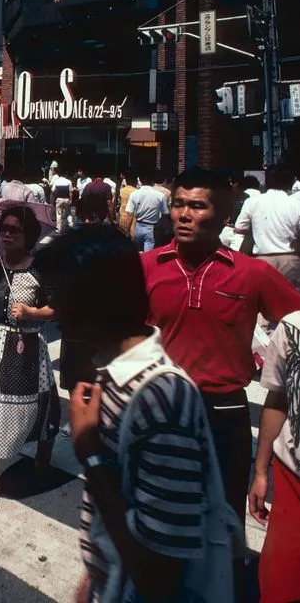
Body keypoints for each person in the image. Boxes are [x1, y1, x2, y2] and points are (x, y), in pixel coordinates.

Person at [35, 224, 221, 603]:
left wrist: (91, 454)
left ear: (92, 300)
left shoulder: (161, 397)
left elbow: (160, 572)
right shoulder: (113, 374)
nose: (53, 309)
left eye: (58, 294)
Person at [142, 168, 300, 538]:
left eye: (197, 206)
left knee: (225, 519)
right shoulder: (145, 267)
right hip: (161, 405)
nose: (184, 214)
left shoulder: (252, 273)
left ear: (224, 217)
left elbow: (295, 321)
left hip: (224, 409)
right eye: (178, 204)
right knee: (159, 513)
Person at [0, 206, 60, 511]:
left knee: (42, 403)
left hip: (31, 346)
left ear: (28, 235)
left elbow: (57, 308)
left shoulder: (40, 269)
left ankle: (43, 457)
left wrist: (33, 312)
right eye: (3, 228)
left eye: (14, 229)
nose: (6, 234)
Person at [249, 307, 300, 603]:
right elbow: (278, 399)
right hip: (292, 480)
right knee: (280, 584)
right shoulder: (292, 327)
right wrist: (260, 472)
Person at [234, 165, 300, 290]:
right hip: (291, 260)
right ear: (290, 182)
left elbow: (239, 228)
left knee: (263, 302)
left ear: (266, 182)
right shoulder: (296, 204)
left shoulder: (252, 202)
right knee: (292, 302)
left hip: (262, 260)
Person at [125, 171, 168, 251]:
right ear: (153, 181)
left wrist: (127, 231)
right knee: (148, 256)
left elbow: (130, 214)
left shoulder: (134, 194)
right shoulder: (160, 196)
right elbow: (165, 215)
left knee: (137, 255)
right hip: (152, 228)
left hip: (138, 227)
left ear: (140, 180)